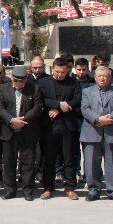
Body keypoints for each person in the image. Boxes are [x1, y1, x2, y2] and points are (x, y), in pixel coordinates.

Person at [80, 66, 113, 201]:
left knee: (112, 162)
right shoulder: (87, 91)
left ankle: (112, 190)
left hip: (112, 131)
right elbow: (85, 109)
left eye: (105, 76)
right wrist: (98, 119)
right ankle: (93, 189)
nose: (102, 78)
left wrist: (108, 119)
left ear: (110, 78)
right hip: (92, 131)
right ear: (95, 77)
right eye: (99, 76)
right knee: (91, 162)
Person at [38, 58, 82, 200]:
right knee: (49, 158)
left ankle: (70, 187)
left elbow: (77, 100)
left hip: (67, 125)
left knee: (69, 157)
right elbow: (41, 100)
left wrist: (61, 110)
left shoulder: (74, 82)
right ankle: (48, 187)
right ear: (52, 69)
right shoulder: (44, 82)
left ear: (67, 71)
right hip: (49, 126)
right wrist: (58, 105)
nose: (59, 75)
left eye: (62, 72)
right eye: (57, 72)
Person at [0, 65, 44, 200]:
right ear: (12, 78)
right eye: (16, 81)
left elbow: (37, 107)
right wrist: (12, 120)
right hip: (9, 130)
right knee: (9, 161)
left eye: (22, 81)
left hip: (27, 129)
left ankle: (28, 190)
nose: (18, 84)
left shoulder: (34, 89)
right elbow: (1, 108)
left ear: (26, 79)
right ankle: (9, 190)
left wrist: (23, 119)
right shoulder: (3, 88)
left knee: (28, 162)